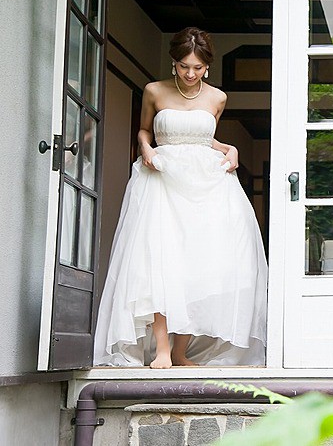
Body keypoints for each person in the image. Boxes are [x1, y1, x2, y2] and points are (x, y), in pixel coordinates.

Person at [94, 27, 268, 368]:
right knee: (159, 263)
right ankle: (162, 350)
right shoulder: (154, 91)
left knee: (198, 265)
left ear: (207, 67)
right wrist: (145, 148)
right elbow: (145, 130)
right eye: (184, 66)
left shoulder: (217, 98)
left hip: (206, 184)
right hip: (161, 179)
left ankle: (180, 351)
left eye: (197, 68)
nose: (190, 74)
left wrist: (230, 148)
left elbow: (204, 138)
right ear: (173, 63)